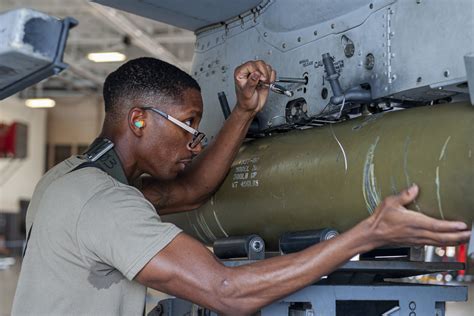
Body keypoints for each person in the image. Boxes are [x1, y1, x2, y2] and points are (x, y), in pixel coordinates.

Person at [12, 57, 470, 316]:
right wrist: (368, 233)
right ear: (138, 120)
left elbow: (191, 193)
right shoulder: (106, 204)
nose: (195, 143)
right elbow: (227, 291)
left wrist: (244, 112)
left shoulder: (67, 180)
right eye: (189, 125)